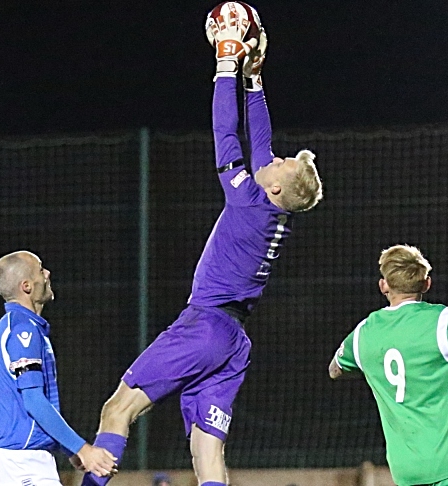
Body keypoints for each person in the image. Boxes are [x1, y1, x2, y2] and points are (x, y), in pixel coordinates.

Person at [81, 9, 323, 486]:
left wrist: (226, 65)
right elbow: (261, 142)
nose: (273, 157)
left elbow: (226, 135)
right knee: (207, 453)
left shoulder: (251, 200)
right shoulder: (274, 209)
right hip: (234, 343)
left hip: (205, 325)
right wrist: (255, 81)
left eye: (282, 163)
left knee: (117, 409)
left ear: (276, 188)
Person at [329, 244, 448, 486]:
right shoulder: (442, 321)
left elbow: (335, 369)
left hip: (406, 472)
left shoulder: (363, 333)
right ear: (426, 283)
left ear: (383, 285)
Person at [0, 251, 117, 485]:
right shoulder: (22, 330)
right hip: (21, 462)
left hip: (28, 460)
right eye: (40, 269)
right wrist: (83, 448)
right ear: (26, 286)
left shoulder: (27, 327)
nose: (47, 274)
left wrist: (69, 449)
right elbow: (34, 400)